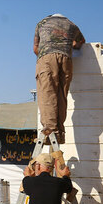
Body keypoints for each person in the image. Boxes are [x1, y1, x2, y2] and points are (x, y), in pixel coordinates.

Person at [33, 14, 85, 144]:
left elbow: (35, 49)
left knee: (47, 94)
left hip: (47, 59)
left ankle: (50, 132)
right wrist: (69, 45)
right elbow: (80, 43)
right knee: (61, 95)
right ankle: (60, 134)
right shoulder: (72, 25)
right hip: (66, 60)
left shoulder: (42, 23)